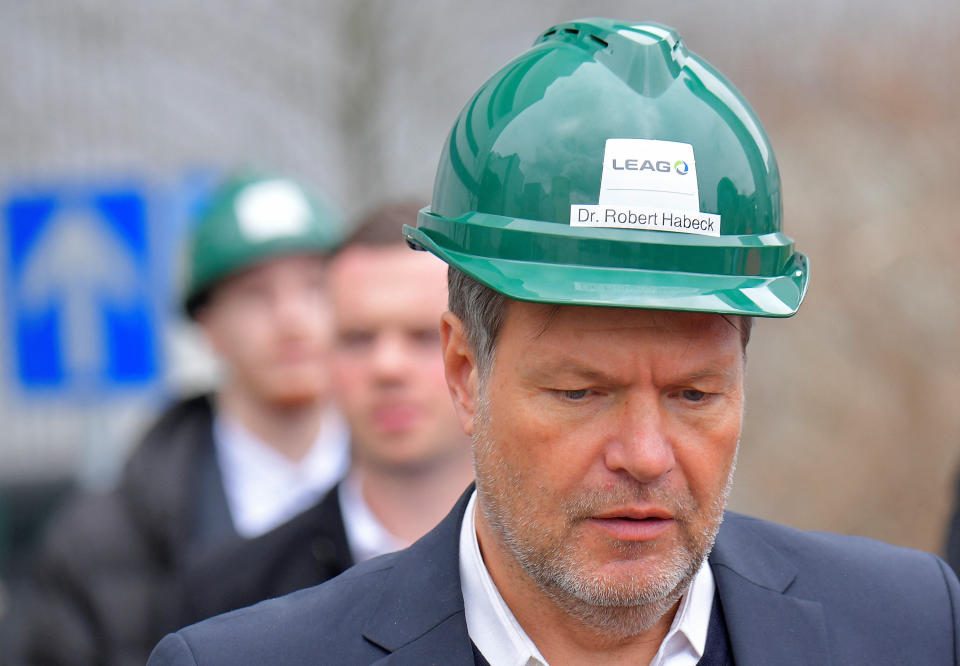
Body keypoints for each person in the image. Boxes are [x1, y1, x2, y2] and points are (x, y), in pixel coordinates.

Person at [149, 19, 960, 665]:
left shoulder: (911, 628)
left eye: (694, 394)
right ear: (465, 371)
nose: (645, 453)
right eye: (582, 392)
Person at [15, 172, 349, 666]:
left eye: (315, 287)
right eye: (257, 294)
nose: (292, 318)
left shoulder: (415, 498)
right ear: (207, 325)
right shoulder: (99, 543)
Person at [174, 201, 474, 625]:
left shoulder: (555, 573)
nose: (387, 367)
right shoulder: (233, 595)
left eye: (424, 337)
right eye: (358, 338)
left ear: (472, 355)